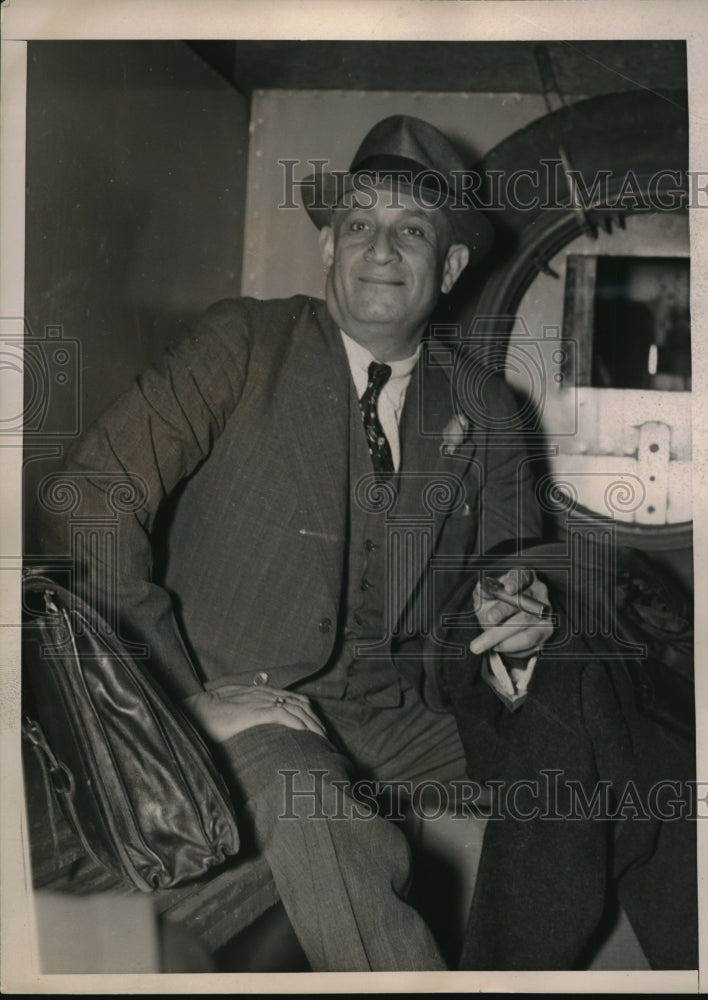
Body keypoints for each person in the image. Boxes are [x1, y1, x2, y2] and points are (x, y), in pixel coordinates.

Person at [35, 115, 554, 971]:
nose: (380, 249)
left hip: (409, 713)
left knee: (596, 736)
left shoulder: (487, 408)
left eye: (412, 230)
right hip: (245, 697)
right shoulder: (243, 342)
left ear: (452, 267)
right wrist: (179, 699)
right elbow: (91, 500)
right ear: (327, 252)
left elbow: (513, 561)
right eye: (358, 225)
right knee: (312, 803)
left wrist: (521, 604)